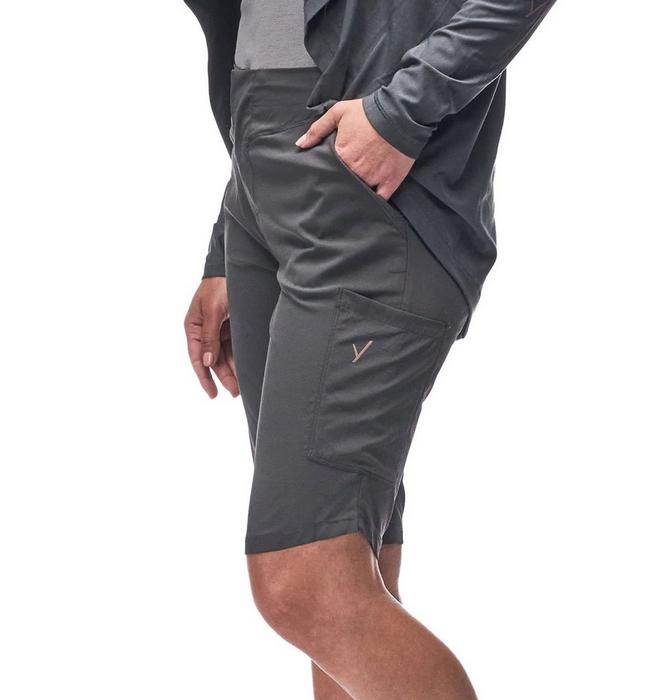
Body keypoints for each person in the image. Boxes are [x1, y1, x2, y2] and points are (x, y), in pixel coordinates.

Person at [182, 1, 556, 697]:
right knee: (345, 568)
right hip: (259, 185)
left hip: (374, 187)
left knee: (304, 578)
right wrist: (224, 245)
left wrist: (405, 109)